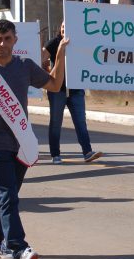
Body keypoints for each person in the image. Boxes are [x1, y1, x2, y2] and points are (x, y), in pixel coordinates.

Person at [0, 19, 68, 259]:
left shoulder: (24, 66)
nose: (2, 44)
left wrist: (60, 54)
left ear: (15, 40)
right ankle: (19, 247)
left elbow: (54, 85)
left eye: (7, 39)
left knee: (7, 195)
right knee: (8, 194)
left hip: (21, 141)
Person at [42, 22, 102, 164]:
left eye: (67, 26)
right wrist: (47, 76)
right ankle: (55, 155)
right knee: (56, 122)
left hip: (76, 89)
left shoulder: (80, 42)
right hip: (57, 90)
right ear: (60, 28)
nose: (64, 28)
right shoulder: (53, 43)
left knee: (80, 121)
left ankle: (87, 152)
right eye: (62, 26)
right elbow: (39, 59)